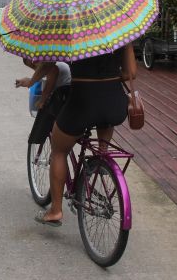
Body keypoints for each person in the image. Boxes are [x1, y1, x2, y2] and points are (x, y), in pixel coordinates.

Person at [34, 45, 137, 227]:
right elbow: (131, 73)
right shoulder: (118, 32)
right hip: (115, 104)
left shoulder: (73, 32)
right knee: (102, 128)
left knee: (58, 151)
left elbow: (51, 66)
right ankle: (100, 160)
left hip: (83, 103)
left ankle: (55, 210)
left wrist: (32, 79)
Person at [16, 60, 72, 144]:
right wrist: (30, 81)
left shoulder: (52, 67)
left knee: (45, 111)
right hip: (64, 96)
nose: (35, 69)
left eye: (34, 66)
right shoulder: (51, 67)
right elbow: (44, 79)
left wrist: (42, 101)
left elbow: (49, 86)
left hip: (64, 97)